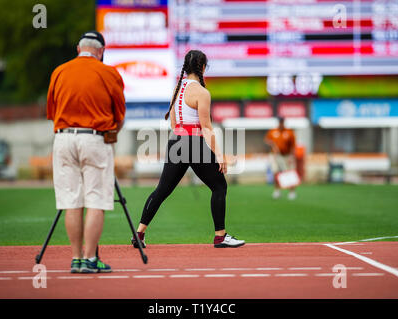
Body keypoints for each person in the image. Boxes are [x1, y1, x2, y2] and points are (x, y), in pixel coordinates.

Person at [131, 50, 244, 248]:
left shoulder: (177, 89)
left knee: (161, 191)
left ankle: (139, 234)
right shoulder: (202, 92)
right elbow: (207, 128)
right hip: (195, 143)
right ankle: (220, 236)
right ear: (202, 67)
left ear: (185, 66)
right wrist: (219, 155)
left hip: (177, 142)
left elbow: (174, 124)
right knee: (219, 186)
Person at [46, 31, 126, 273]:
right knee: (96, 199)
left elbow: (51, 111)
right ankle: (91, 259)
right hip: (94, 139)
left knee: (71, 201)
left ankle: (76, 258)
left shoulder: (59, 71)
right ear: (101, 51)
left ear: (78, 48)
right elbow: (119, 116)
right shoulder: (109, 72)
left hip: (62, 139)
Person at [264, 117, 297, 200]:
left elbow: (293, 146)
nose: (281, 124)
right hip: (275, 156)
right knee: (276, 173)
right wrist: (272, 145)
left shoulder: (289, 132)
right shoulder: (273, 131)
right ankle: (277, 191)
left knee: (289, 173)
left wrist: (291, 156)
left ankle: (292, 192)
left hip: (286, 155)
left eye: (282, 122)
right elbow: (267, 140)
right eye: (280, 122)